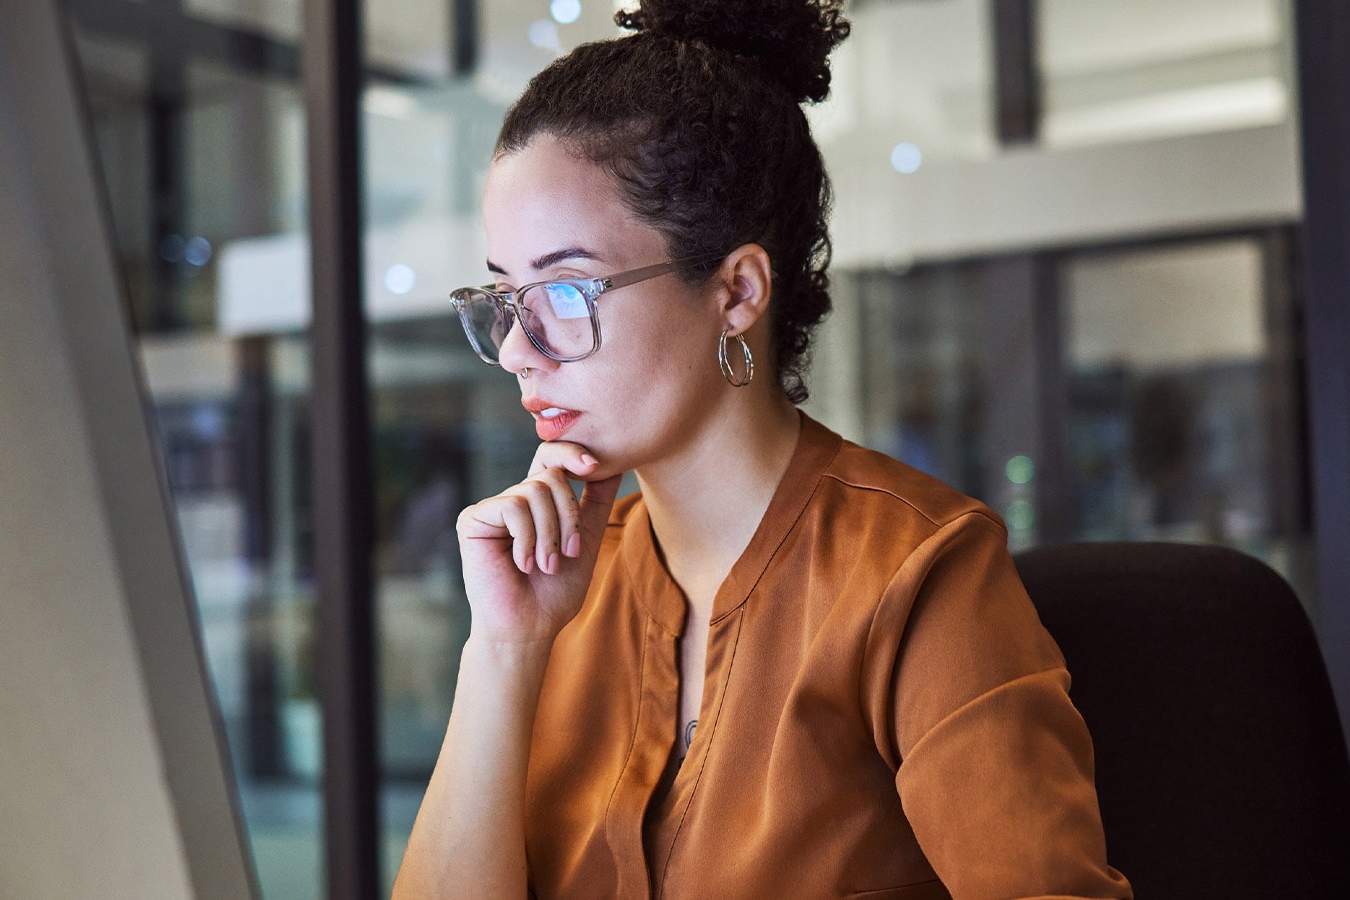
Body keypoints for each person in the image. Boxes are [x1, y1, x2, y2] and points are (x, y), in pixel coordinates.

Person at [393, 1, 1132, 896]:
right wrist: (504, 647)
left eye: (567, 293)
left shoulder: (916, 574)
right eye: (505, 298)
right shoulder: (565, 582)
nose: (516, 348)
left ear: (737, 290)